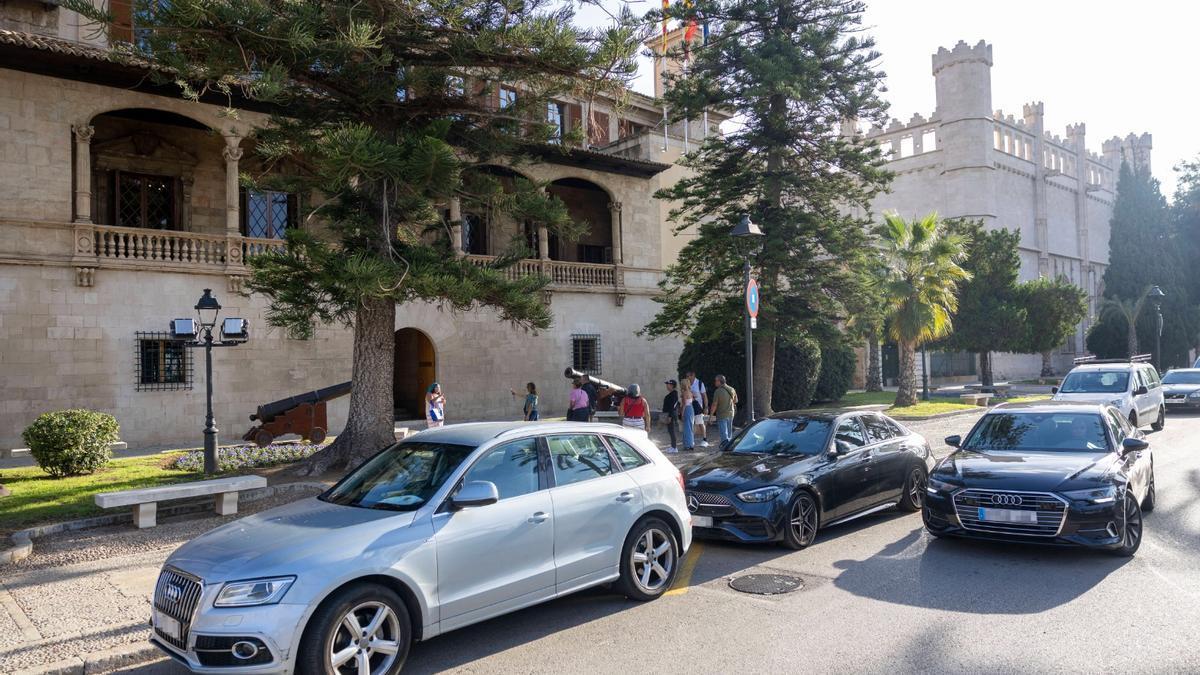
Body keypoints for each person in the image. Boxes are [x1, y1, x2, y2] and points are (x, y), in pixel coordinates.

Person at [709, 374, 738, 444]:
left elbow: (714, 405)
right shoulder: (732, 389)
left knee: (723, 433)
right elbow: (736, 401)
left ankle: (725, 447)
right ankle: (729, 446)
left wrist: (710, 416)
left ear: (719, 381)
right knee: (729, 432)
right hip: (731, 413)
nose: (715, 382)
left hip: (722, 414)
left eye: (715, 381)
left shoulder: (718, 391)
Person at [687, 370, 710, 447]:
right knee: (691, 423)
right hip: (689, 405)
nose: (687, 378)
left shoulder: (700, 383)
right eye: (687, 376)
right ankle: (691, 440)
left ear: (693, 375)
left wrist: (706, 407)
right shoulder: (687, 383)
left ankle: (704, 439)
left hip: (698, 406)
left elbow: (704, 396)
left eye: (689, 376)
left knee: (700, 423)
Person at [661, 379, 680, 453]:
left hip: (670, 415)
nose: (666, 386)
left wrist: (670, 416)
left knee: (671, 430)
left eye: (668, 384)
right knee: (670, 430)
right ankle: (673, 446)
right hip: (669, 414)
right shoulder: (672, 394)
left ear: (672, 385)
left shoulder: (674, 394)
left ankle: (674, 447)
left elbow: (673, 407)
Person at [679, 375, 696, 451]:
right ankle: (691, 443)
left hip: (687, 409)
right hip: (691, 409)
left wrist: (682, 414)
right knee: (690, 427)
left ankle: (687, 445)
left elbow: (684, 404)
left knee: (687, 428)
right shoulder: (691, 392)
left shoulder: (684, 393)